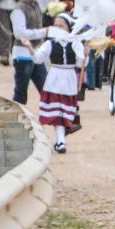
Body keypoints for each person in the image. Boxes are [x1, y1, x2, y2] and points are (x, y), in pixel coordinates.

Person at [33, 13, 84, 154]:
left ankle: (61, 139)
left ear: (68, 27)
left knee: (64, 112)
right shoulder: (50, 43)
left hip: (69, 80)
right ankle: (60, 141)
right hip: (54, 79)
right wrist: (29, 48)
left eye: (62, 26)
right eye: (56, 26)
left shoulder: (76, 43)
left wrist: (83, 53)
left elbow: (80, 64)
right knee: (57, 112)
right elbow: (38, 59)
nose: (59, 28)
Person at [11, 0, 59, 103]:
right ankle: (17, 114)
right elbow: (19, 33)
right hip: (22, 55)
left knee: (46, 87)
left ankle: (51, 113)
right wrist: (43, 32)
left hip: (36, 54)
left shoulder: (37, 3)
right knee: (21, 92)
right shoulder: (18, 9)